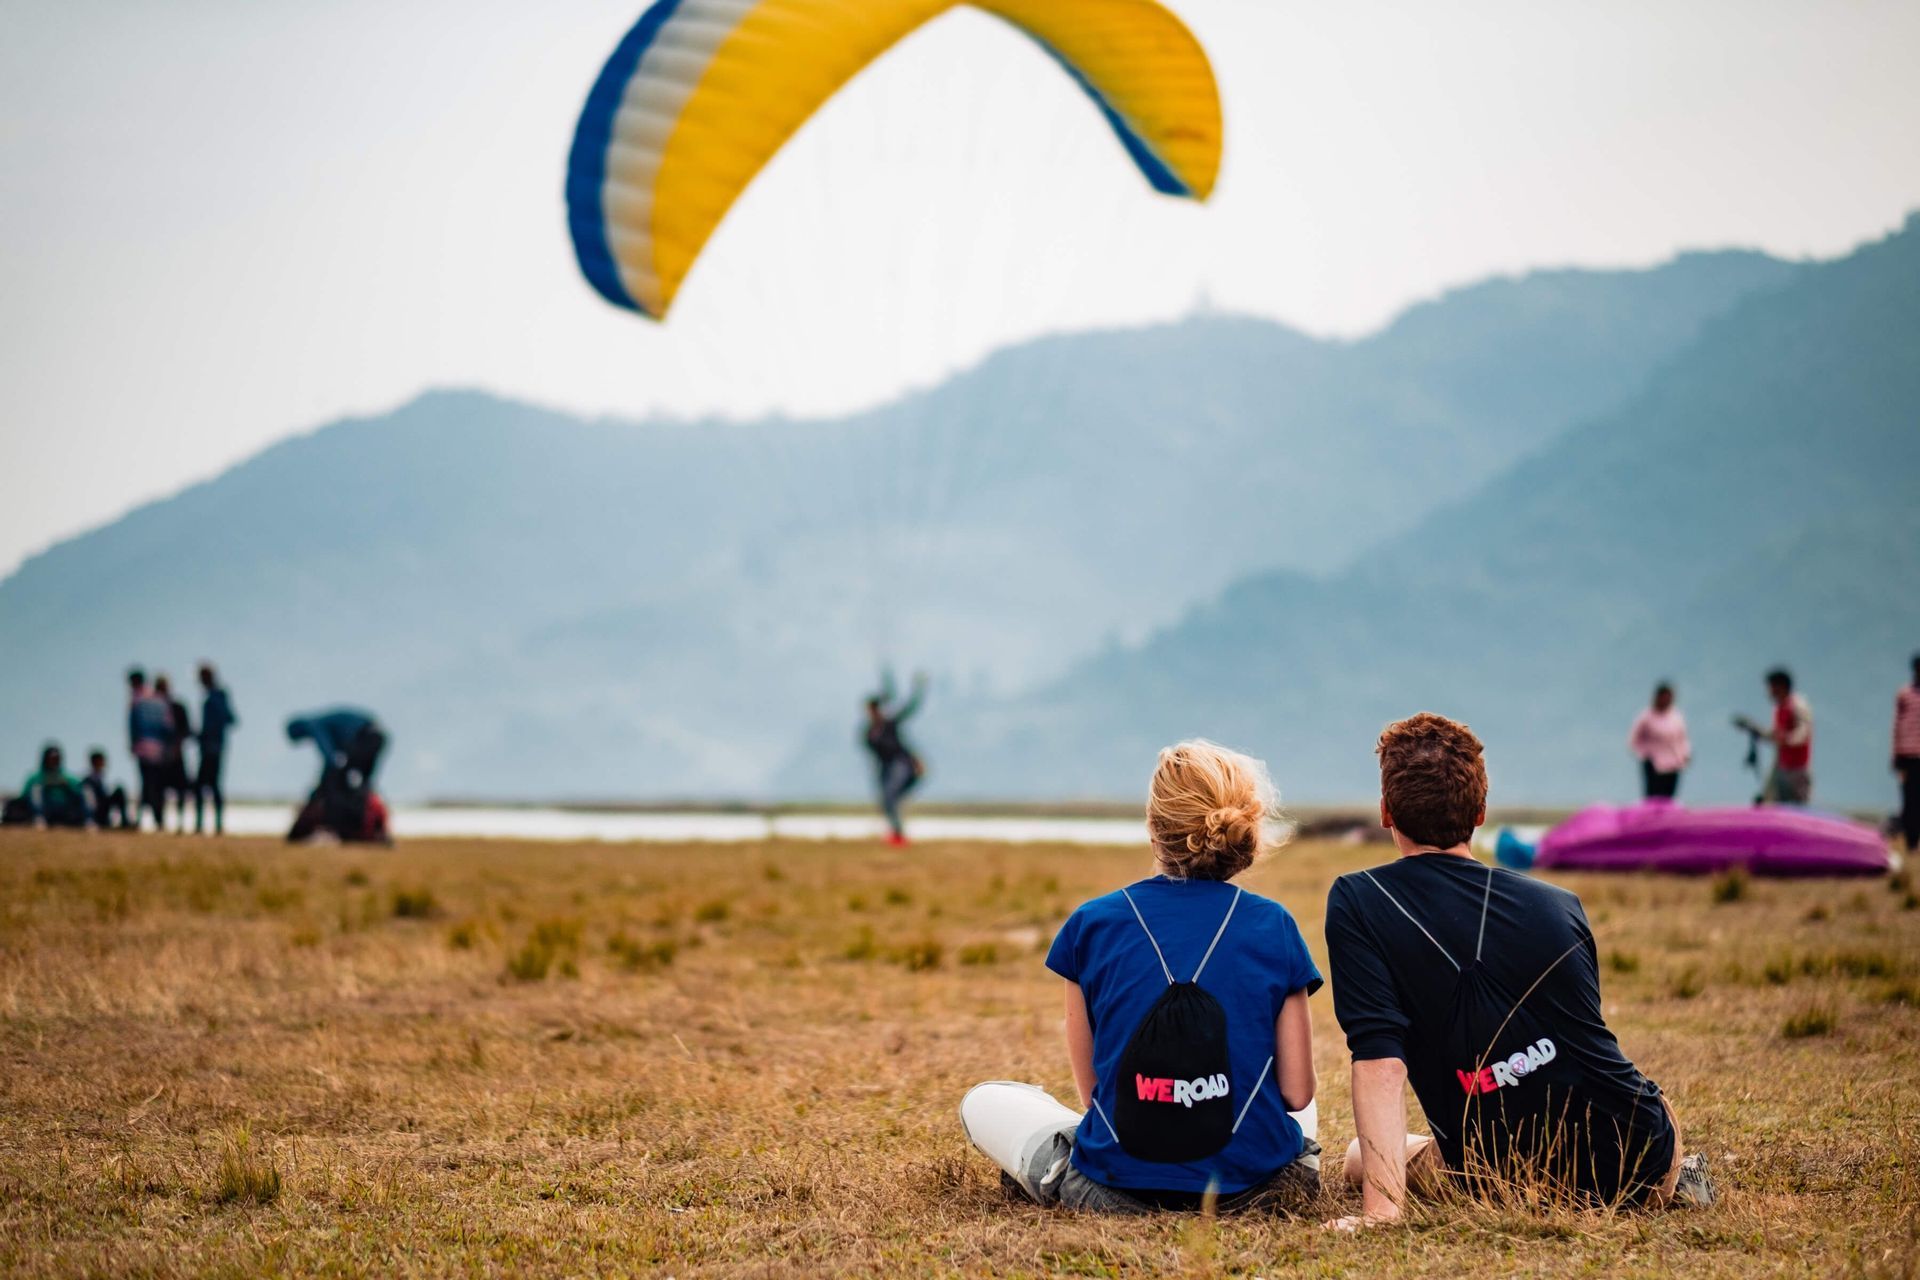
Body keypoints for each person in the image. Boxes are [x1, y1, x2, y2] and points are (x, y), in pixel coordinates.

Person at [1323, 713, 1712, 1229]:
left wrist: (1382, 1212)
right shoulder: (1559, 904)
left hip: (1499, 1175)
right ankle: (1679, 1179)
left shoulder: (1357, 900)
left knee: (1357, 1156)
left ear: (1386, 812)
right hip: (1641, 1153)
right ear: (1481, 812)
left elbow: (1381, 1062)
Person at [961, 741, 1323, 1215]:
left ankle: (1057, 1165)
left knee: (984, 1101)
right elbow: (1297, 1093)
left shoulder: (1091, 924)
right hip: (1256, 1193)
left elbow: (1094, 1093)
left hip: (1117, 1193)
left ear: (1154, 830)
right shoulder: (1274, 924)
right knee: (1291, 1111)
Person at [286, 708, 388, 842]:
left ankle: (342, 824)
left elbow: (330, 759)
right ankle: (369, 825)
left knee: (335, 783)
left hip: (364, 738)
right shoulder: (325, 722)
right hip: (377, 737)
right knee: (362, 785)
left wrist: (318, 792)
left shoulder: (313, 724)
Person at [863, 671, 927, 846]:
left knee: (890, 796)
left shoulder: (889, 724)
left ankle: (898, 834)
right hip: (886, 769)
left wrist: (919, 688)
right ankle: (897, 834)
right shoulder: (869, 733)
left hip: (902, 765)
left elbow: (910, 708)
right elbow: (874, 756)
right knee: (887, 799)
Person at [1736, 668, 1814, 806]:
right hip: (1782, 768)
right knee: (1773, 804)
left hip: (1797, 771)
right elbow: (1775, 735)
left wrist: (1789, 739)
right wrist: (1755, 730)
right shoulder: (1779, 709)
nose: (1769, 692)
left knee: (1798, 809)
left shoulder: (1797, 705)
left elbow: (1803, 731)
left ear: (1781, 686)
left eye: (1771, 687)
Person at [126, 668, 173, 831]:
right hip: (159, 749)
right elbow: (168, 726)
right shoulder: (159, 699)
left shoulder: (137, 699)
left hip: (143, 748)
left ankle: (142, 819)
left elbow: (133, 725)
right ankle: (159, 819)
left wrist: (132, 744)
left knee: (146, 784)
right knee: (157, 786)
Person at [195, 663, 238, 835]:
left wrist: (207, 733)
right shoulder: (216, 696)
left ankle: (209, 825)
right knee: (210, 786)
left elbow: (230, 718)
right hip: (213, 746)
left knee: (205, 786)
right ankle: (212, 825)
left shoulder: (217, 696)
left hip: (212, 747)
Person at [3, 744, 90, 828]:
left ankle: (89, 820)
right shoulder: (35, 777)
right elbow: (24, 796)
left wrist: (67, 786)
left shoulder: (68, 777)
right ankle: (39, 819)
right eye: (51, 758)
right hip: (45, 809)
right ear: (45, 759)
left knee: (86, 789)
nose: (54, 761)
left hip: (66, 809)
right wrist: (45, 785)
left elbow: (80, 791)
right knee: (36, 788)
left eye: (56, 758)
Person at [1627, 682, 1690, 799]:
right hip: (1653, 762)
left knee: (1669, 796)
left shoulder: (1676, 716)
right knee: (1653, 795)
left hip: (1673, 762)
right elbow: (1634, 738)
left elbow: (1682, 738)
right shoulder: (1646, 716)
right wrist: (1643, 754)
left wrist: (1685, 753)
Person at [153, 674, 195, 832]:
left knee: (180, 790)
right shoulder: (154, 708)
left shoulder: (177, 707)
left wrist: (177, 745)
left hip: (175, 754)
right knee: (158, 790)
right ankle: (161, 822)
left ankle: (180, 822)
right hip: (159, 755)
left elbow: (187, 730)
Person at [1894, 653, 1920, 854]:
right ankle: (1911, 842)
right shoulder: (1904, 694)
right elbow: (1897, 726)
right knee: (1909, 801)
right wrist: (1896, 755)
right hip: (1908, 756)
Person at [82, 749, 132, 830]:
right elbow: (89, 801)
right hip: (96, 810)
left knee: (119, 790)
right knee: (119, 791)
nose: (103, 763)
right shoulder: (89, 779)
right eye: (101, 760)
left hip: (103, 808)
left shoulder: (101, 776)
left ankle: (125, 822)